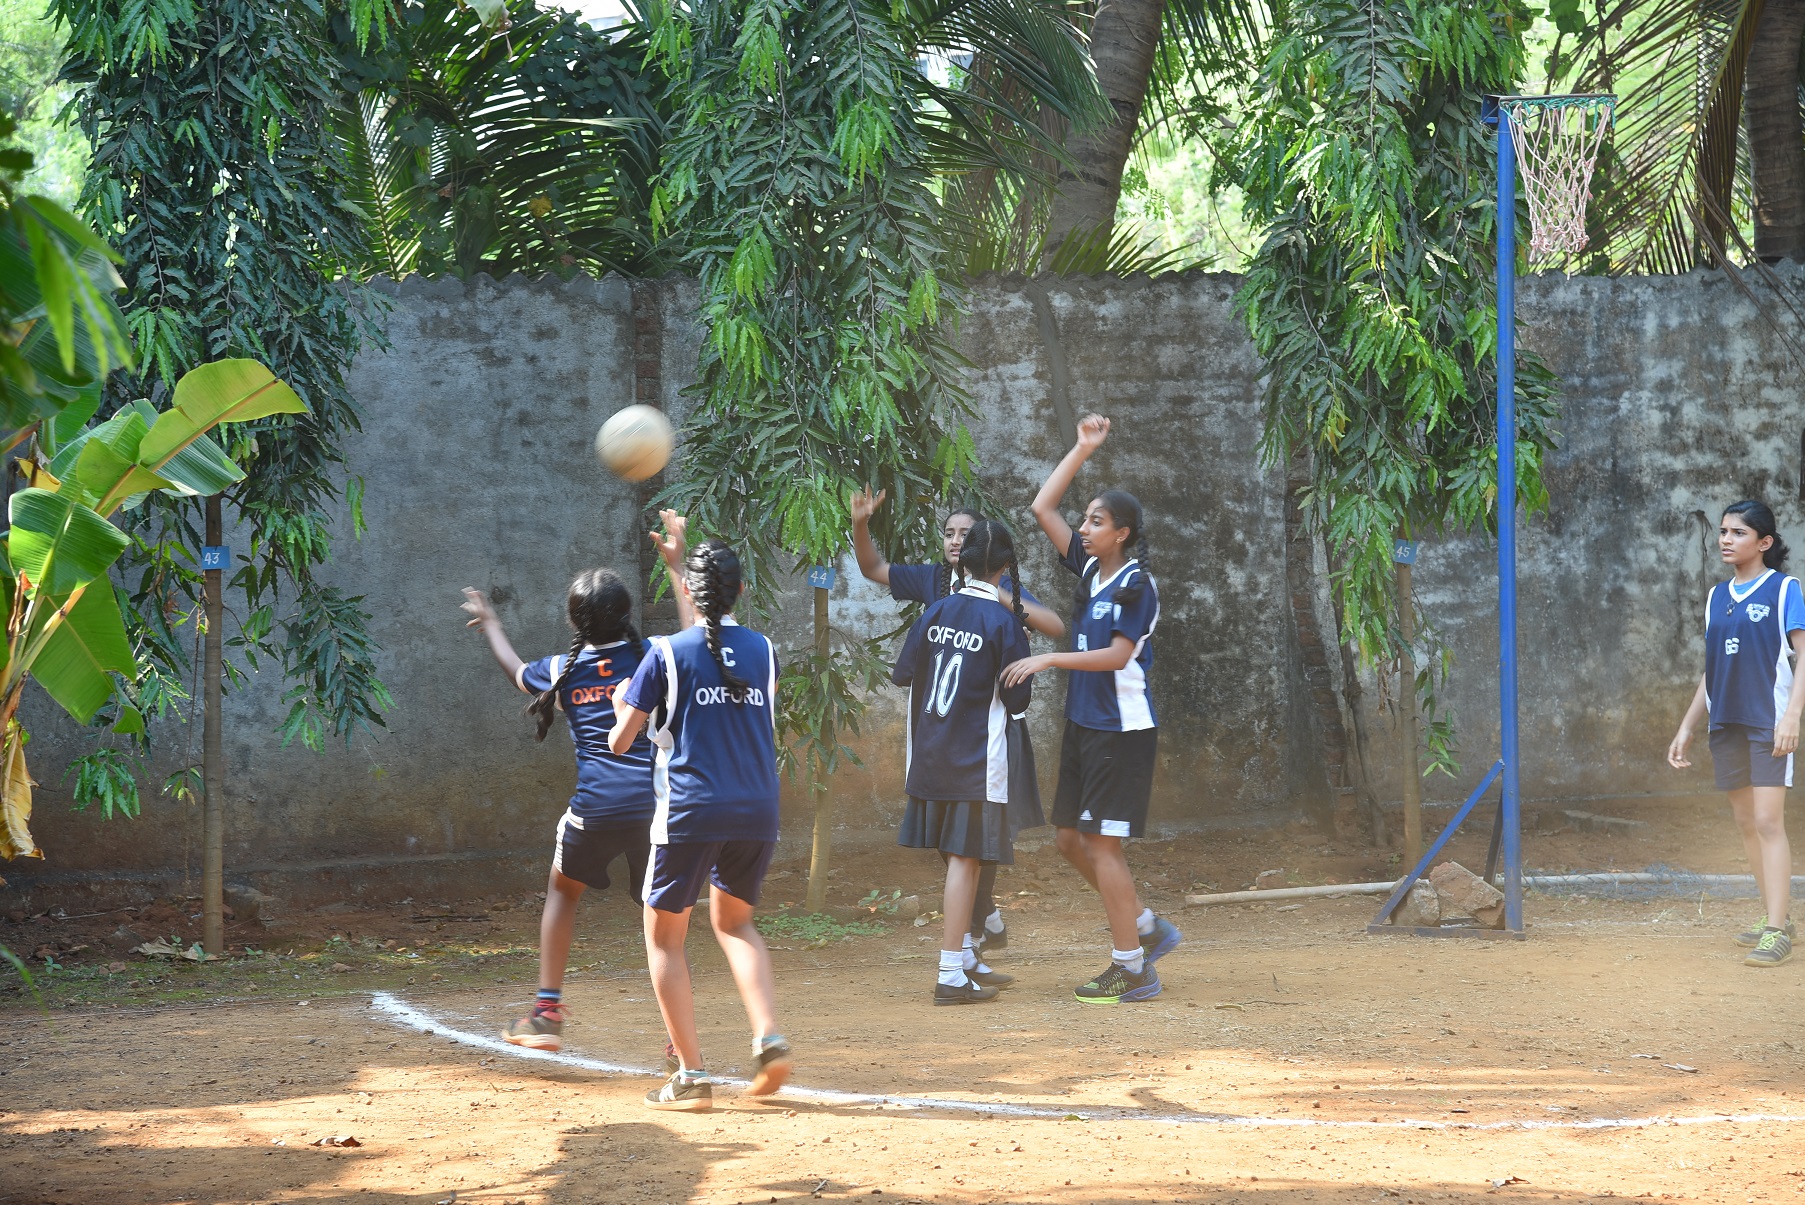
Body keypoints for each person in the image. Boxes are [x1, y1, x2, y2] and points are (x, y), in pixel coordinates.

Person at [1003, 413, 1182, 1004]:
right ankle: (1146, 927)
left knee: (1102, 844)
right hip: (1086, 724)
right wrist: (1081, 450)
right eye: (1085, 519)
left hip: (1121, 730)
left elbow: (1116, 656)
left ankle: (1132, 965)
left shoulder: (1137, 586)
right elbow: (1042, 508)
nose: (1083, 528)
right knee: (1068, 841)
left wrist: (1049, 661)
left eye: (1096, 521)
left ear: (1123, 533)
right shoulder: (1089, 571)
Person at [611, 535, 791, 1110]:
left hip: (691, 808)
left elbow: (620, 743)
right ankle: (769, 1038)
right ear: (741, 589)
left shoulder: (664, 653)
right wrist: (677, 561)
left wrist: (623, 700)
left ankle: (690, 1076)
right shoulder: (764, 648)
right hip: (757, 807)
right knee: (736, 926)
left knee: (665, 938)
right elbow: (722, 660)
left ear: (687, 591)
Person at [851, 490, 1063, 955]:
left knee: (978, 837)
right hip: (945, 732)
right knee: (961, 841)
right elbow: (873, 569)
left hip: (982, 731)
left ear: (979, 549)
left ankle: (971, 934)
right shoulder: (935, 588)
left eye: (964, 535)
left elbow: (1054, 626)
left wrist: (1002, 601)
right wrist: (861, 524)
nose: (954, 541)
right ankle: (977, 924)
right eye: (948, 533)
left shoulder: (992, 604)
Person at [461, 566, 655, 1051]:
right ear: (627, 614)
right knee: (664, 921)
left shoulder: (562, 670)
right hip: (655, 809)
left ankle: (546, 1013)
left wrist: (491, 623)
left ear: (574, 622)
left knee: (562, 894)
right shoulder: (654, 657)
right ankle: (678, 1043)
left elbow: (515, 671)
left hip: (594, 809)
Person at [891, 520, 1034, 1004]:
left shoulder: (936, 610)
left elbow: (903, 674)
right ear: (1004, 569)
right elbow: (1018, 704)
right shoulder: (1003, 621)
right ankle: (951, 969)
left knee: (961, 860)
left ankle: (966, 958)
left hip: (931, 753)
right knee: (966, 859)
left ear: (964, 561)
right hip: (974, 759)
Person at [1667, 499, 1805, 968]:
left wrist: (1793, 717)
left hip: (1768, 721)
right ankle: (1777, 919)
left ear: (1764, 542)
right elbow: (1712, 671)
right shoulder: (1716, 597)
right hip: (1725, 721)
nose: (1726, 539)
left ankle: (1776, 930)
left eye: (1739, 533)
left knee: (1768, 822)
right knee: (1747, 823)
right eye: (1724, 531)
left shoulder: (1785, 589)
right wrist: (1687, 726)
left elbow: (1803, 657)